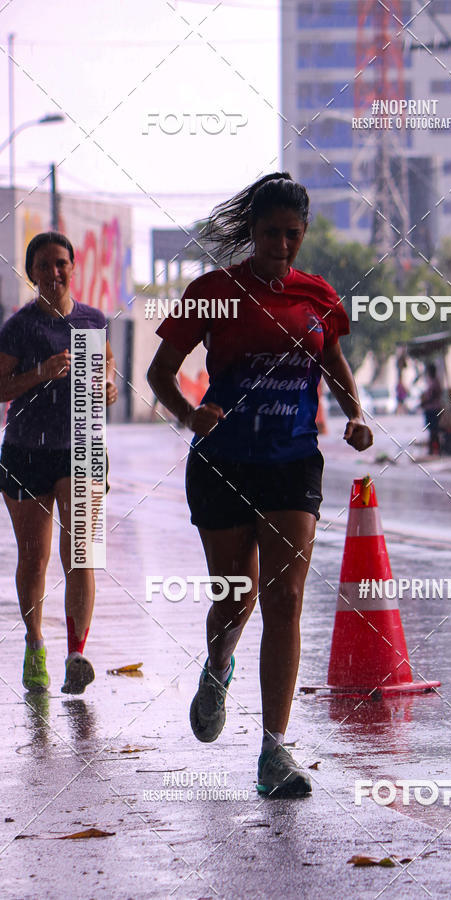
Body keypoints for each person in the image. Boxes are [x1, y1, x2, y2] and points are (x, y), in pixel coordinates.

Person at [147, 172, 373, 797]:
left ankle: (275, 751)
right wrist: (189, 414)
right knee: (236, 596)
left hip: (292, 462)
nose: (280, 245)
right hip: (223, 463)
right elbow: (160, 370)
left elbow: (333, 364)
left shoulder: (319, 295)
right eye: (270, 233)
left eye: (291, 235)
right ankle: (218, 667)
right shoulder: (214, 292)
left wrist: (355, 412)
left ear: (304, 234)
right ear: (252, 231)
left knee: (287, 599)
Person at [0, 232, 118, 695]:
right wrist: (39, 374)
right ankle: (35, 643)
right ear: (31, 273)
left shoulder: (92, 320)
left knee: (82, 554)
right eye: (44, 265)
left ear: (74, 267)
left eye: (61, 263)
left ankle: (76, 654)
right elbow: (0, 387)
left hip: (82, 446)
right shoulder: (18, 327)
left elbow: (106, 364)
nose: (54, 272)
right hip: (27, 450)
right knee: (35, 558)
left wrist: (108, 384)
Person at [420, 361, 442, 455]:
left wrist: (424, 402)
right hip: (430, 408)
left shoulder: (434, 382)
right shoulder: (432, 381)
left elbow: (433, 396)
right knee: (432, 430)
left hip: (433, 409)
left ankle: (434, 449)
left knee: (434, 430)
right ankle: (433, 449)